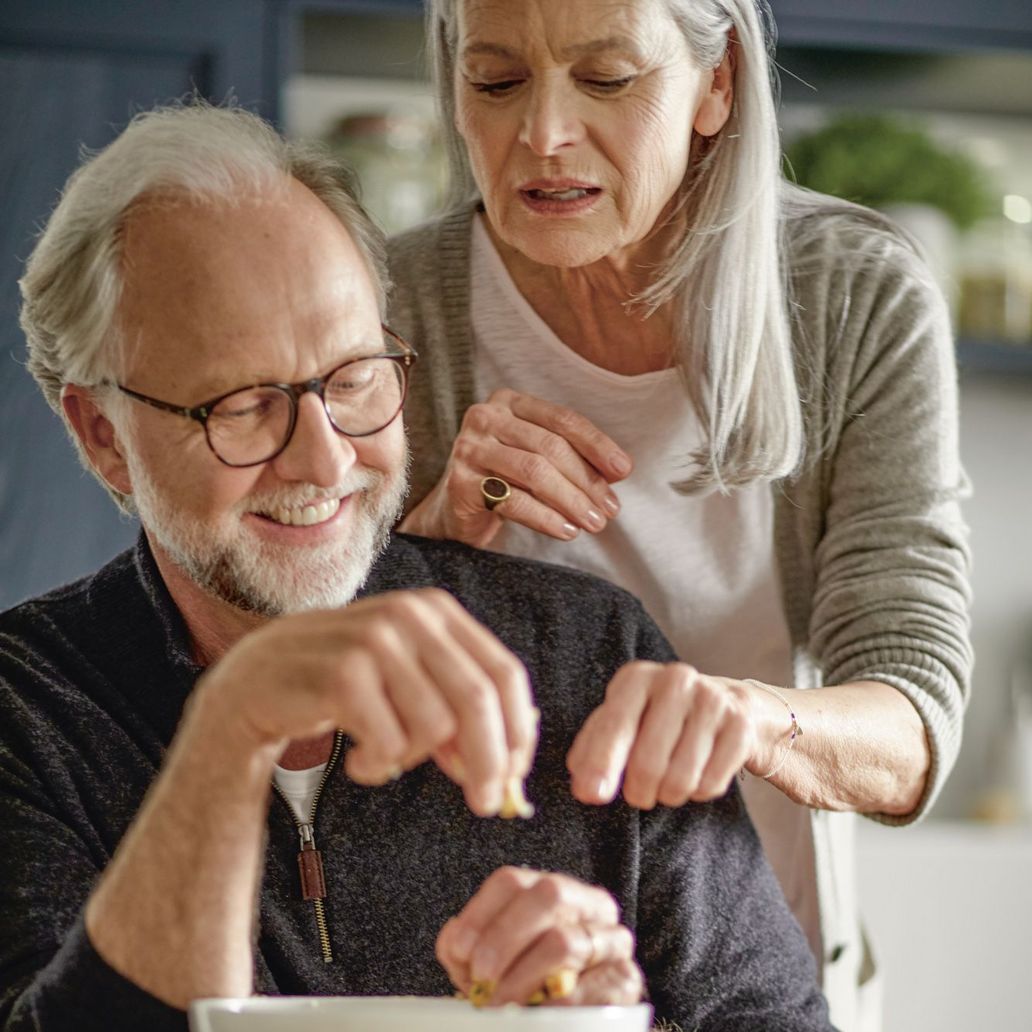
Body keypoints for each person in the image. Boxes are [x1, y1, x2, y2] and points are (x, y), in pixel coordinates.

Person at [0, 103, 834, 1032]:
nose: (323, 461)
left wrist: (620, 1023)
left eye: (353, 379)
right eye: (241, 405)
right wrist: (231, 730)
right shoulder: (26, 709)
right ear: (104, 437)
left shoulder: (590, 656)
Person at [388, 1, 973, 1028]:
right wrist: (429, 543)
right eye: (495, 82)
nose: (543, 134)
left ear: (718, 83)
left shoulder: (853, 298)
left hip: (758, 970)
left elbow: (912, 724)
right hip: (464, 975)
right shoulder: (392, 307)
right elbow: (284, 677)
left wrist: (748, 717)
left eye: (606, 80)